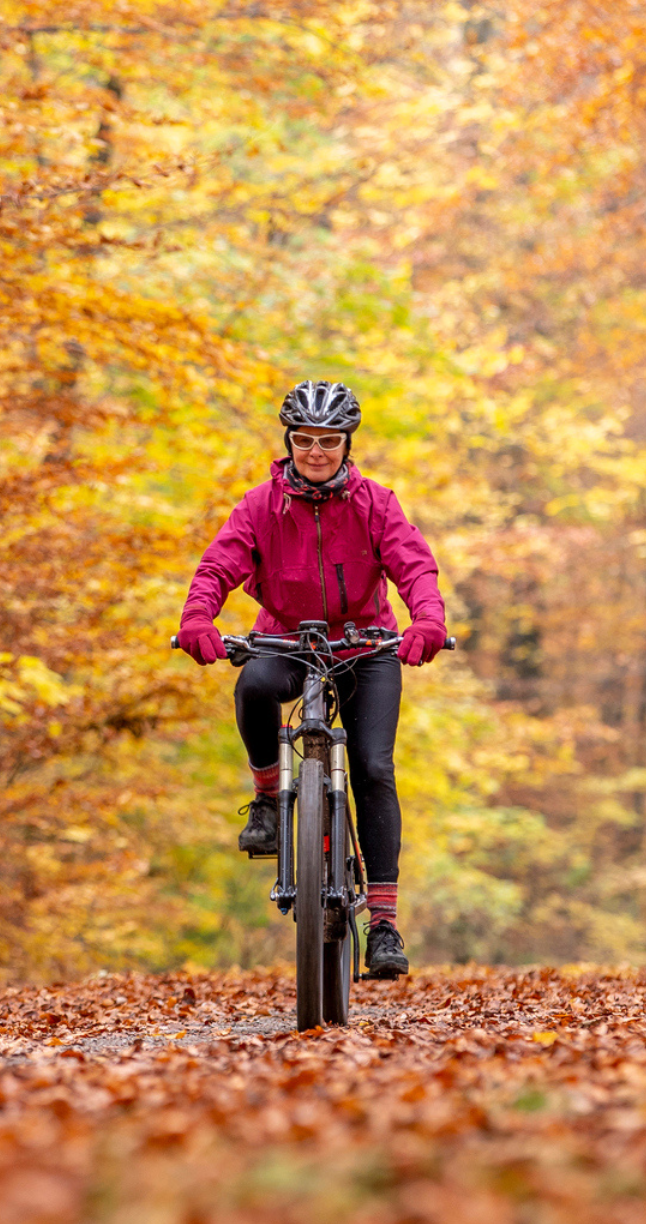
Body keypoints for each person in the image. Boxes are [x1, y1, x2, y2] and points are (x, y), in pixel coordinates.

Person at [175, 380, 448, 979]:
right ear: (289, 443)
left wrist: (427, 619)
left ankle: (382, 926)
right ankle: (270, 801)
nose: (317, 451)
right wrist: (198, 616)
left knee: (374, 768)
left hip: (367, 645)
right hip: (285, 639)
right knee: (251, 686)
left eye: (329, 440)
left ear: (347, 445)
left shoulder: (376, 503)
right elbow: (220, 563)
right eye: (305, 440)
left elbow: (414, 566)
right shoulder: (259, 505)